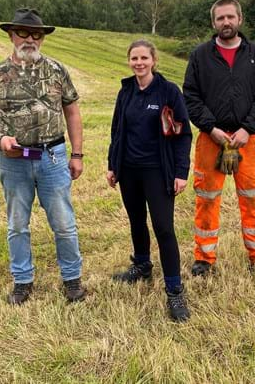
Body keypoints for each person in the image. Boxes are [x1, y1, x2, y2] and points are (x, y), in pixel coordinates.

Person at [0, 8, 87, 305]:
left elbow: (72, 111)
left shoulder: (57, 71)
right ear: (11, 35)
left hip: (53, 156)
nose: (29, 39)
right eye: (23, 33)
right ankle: (22, 281)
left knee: (63, 223)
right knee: (17, 225)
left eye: (36, 34)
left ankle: (72, 280)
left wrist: (76, 154)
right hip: (14, 162)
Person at [183, 0, 255, 277]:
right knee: (207, 199)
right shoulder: (200, 56)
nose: (226, 22)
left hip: (247, 139)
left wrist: (248, 129)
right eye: (220, 18)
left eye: (230, 17)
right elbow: (191, 96)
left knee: (251, 198)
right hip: (210, 139)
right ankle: (204, 258)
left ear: (240, 20)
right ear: (213, 23)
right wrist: (211, 128)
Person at [107, 39, 193, 322]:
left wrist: (181, 172)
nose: (139, 63)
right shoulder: (127, 90)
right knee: (135, 221)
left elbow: (183, 134)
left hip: (158, 171)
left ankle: (174, 289)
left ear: (154, 60)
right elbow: (117, 130)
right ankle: (142, 265)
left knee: (164, 228)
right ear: (129, 61)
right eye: (134, 58)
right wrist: (113, 166)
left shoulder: (168, 92)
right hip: (129, 170)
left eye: (144, 58)